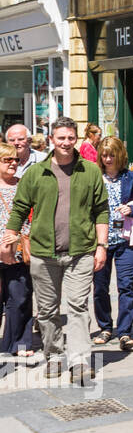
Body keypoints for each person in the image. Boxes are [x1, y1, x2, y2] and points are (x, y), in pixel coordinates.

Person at [1, 116, 108, 385]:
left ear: (76, 139)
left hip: (81, 251)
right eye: (61, 138)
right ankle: (54, 355)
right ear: (52, 140)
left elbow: (101, 210)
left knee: (78, 306)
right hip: (43, 253)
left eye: (71, 138)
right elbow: (21, 208)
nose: (66, 142)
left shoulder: (90, 171)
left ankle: (79, 359)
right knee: (48, 310)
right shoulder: (36, 173)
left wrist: (102, 246)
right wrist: (10, 235)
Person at [92, 137, 133, 352]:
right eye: (104, 155)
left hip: (125, 240)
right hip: (101, 242)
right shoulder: (95, 176)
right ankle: (105, 327)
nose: (107, 159)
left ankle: (124, 332)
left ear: (119, 155)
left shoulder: (131, 177)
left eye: (111, 155)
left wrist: (130, 210)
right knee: (100, 288)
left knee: (126, 287)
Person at [0, 143, 35, 358]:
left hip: (20, 249)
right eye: (7, 160)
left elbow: (34, 214)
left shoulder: (24, 186)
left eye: (16, 160)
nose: (13, 163)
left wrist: (21, 235)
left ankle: (19, 343)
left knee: (20, 297)